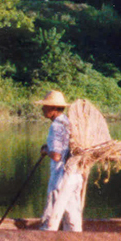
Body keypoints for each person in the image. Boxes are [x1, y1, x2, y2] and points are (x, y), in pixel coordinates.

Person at [37, 89, 85, 231]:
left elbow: (57, 156)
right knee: (73, 217)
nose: (42, 109)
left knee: (51, 215)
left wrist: (46, 151)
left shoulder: (57, 125)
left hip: (61, 177)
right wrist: (49, 147)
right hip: (75, 175)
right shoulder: (68, 122)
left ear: (53, 109)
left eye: (45, 106)